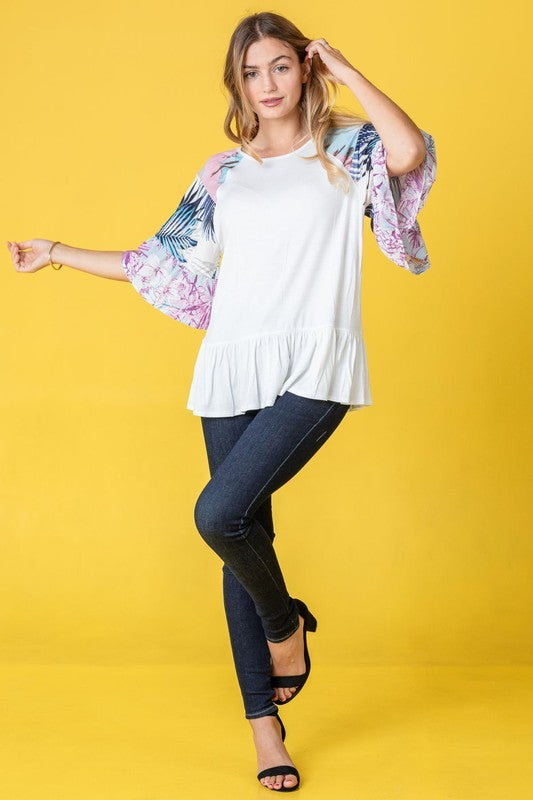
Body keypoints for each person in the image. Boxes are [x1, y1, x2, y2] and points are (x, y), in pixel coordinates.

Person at [6, 11, 437, 793]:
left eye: (280, 66)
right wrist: (58, 252)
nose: (266, 85)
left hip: (313, 362)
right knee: (239, 537)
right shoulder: (223, 174)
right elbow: (157, 259)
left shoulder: (347, 149)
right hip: (229, 371)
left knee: (217, 515)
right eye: (251, 72)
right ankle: (264, 730)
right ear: (236, 84)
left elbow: (408, 151)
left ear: (304, 70)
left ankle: (286, 628)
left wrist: (345, 67)